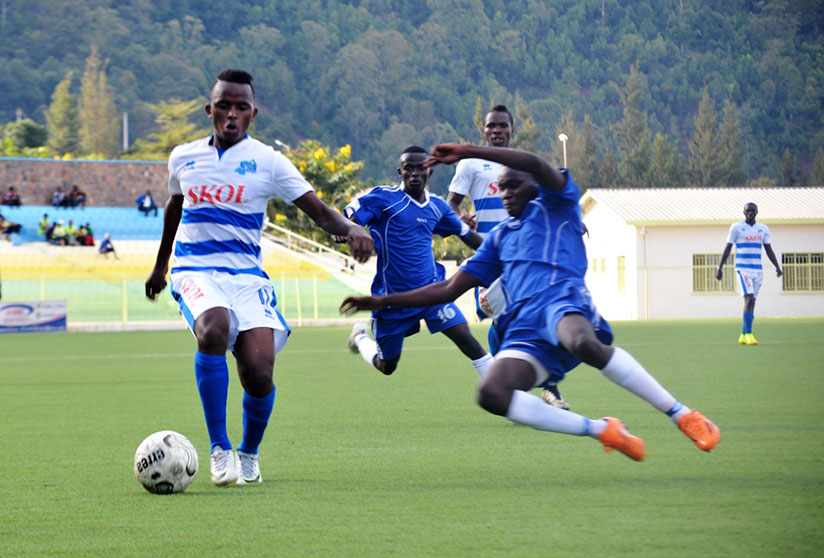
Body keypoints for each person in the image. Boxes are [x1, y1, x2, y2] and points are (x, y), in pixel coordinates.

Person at [341, 143, 721, 462]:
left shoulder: (558, 206)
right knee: (491, 393)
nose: (505, 193)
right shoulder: (499, 238)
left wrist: (467, 152)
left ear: (535, 186)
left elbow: (537, 164)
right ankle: (603, 430)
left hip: (563, 303)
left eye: (512, 185)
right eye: (501, 189)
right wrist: (378, 301)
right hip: (524, 331)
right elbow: (448, 289)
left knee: (581, 341)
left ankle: (682, 415)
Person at [144, 69, 373, 487]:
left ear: (253, 114)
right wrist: (161, 267)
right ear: (209, 109)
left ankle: (249, 453)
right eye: (224, 106)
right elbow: (174, 208)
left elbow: (320, 213)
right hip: (196, 268)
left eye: (241, 107)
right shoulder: (183, 157)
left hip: (247, 276)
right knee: (213, 328)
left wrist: (354, 229)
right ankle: (219, 448)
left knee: (258, 372)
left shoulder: (268, 162)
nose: (231, 114)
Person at [447, 104, 568, 410]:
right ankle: (508, 385)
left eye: (503, 126)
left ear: (512, 130)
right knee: (499, 322)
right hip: (488, 256)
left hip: (524, 257)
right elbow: (451, 204)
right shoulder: (470, 164)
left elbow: (546, 202)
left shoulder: (523, 166)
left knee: (531, 318)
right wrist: (462, 221)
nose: (496, 131)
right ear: (483, 130)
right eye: (491, 126)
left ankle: (547, 388)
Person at [344, 146, 492, 380]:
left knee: (468, 340)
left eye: (420, 168)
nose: (415, 173)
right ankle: (361, 338)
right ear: (400, 172)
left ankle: (507, 394)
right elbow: (347, 219)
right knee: (387, 366)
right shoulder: (383, 198)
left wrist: (501, 259)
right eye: (408, 168)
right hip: (392, 300)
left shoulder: (438, 206)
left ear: (430, 172)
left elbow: (469, 236)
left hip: (433, 293)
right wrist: (350, 233)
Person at [716, 203, 782, 345]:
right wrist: (720, 267)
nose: (751, 213)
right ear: (744, 212)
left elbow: (768, 249)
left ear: (757, 213)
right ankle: (749, 334)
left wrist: (777, 266)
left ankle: (743, 334)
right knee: (749, 298)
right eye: (748, 211)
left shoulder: (763, 229)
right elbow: (728, 247)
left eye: (753, 211)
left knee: (752, 302)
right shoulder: (736, 228)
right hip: (743, 269)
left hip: (758, 270)